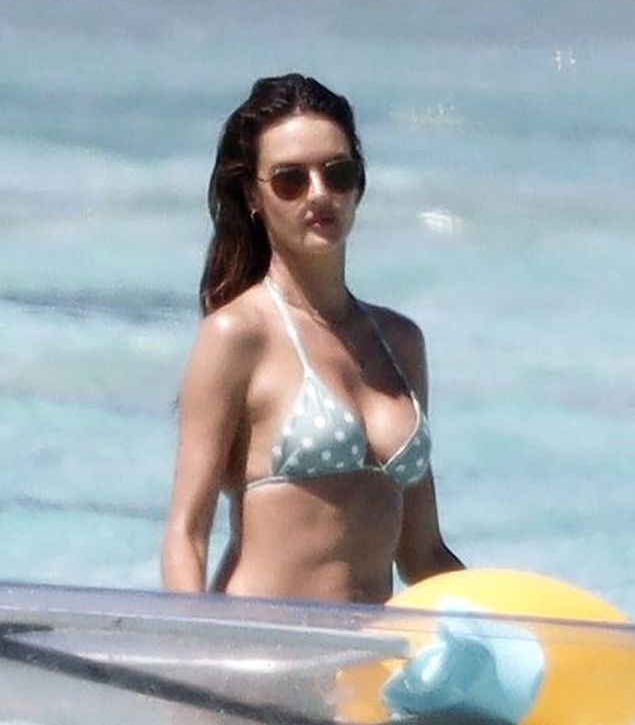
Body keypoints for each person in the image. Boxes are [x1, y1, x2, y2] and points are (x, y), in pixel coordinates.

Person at [162, 74, 462, 604]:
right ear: (253, 196)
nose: (319, 193)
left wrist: (519, 622)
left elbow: (423, 554)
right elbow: (187, 535)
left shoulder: (400, 343)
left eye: (337, 173)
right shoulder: (238, 334)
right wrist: (193, 644)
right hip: (259, 642)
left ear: (358, 185)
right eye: (290, 180)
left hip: (373, 649)